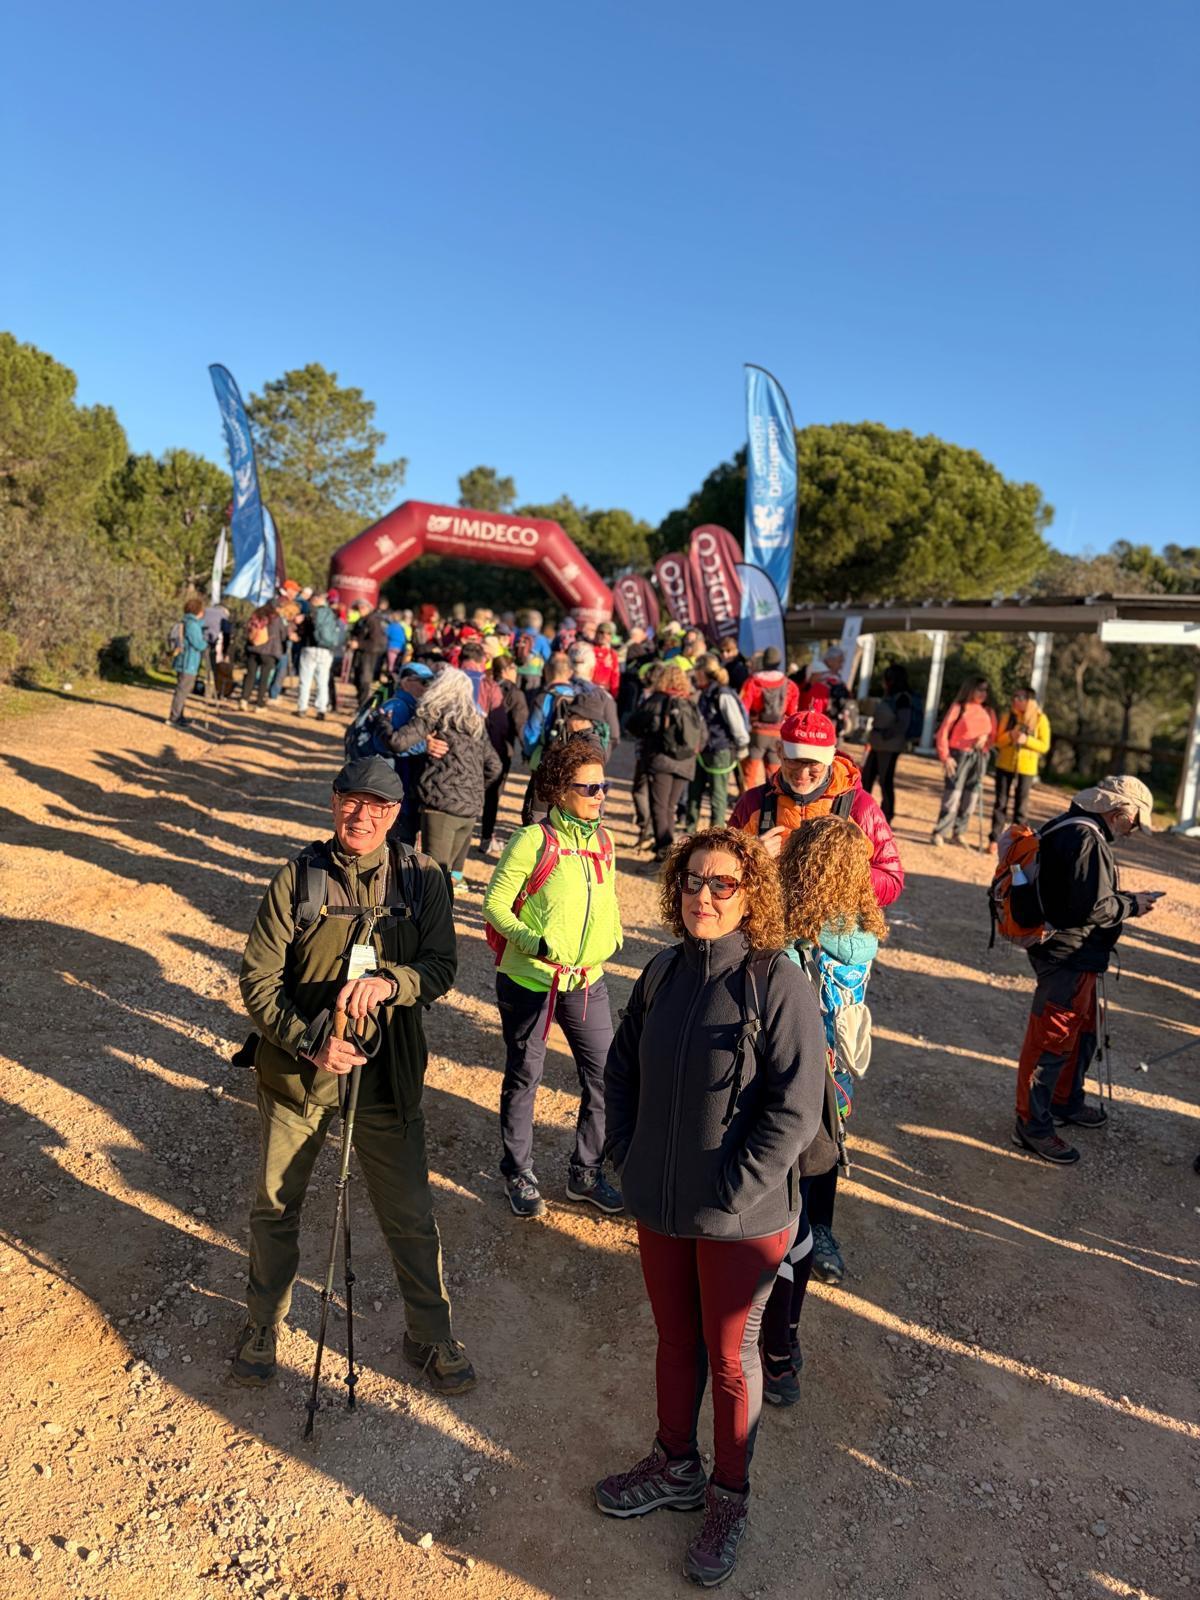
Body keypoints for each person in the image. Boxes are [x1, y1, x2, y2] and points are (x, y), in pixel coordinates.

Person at [597, 827, 826, 1587]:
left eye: (723, 883)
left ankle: (730, 1495)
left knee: (731, 1358)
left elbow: (796, 1109)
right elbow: (620, 1069)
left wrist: (733, 1193)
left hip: (742, 1218)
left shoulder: (776, 982)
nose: (703, 894)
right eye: (693, 880)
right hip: (660, 1205)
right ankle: (675, 1464)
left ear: (751, 893)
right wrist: (625, 1155)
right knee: (673, 1340)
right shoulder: (660, 972)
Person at [233, 755, 475, 1395]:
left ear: (396, 815)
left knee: (412, 1213)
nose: (361, 816)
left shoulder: (423, 880)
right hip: (297, 1074)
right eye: (351, 801)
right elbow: (256, 980)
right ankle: (263, 1322)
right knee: (276, 1206)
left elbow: (442, 968)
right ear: (334, 801)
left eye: (377, 806)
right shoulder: (298, 878)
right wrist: (310, 1041)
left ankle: (429, 1333)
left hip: (385, 1075)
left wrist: (393, 982)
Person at [731, 708, 902, 1284]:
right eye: (791, 759)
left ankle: (817, 1224)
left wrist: (836, 875)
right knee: (756, 1080)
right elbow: (719, 870)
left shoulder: (859, 808)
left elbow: (892, 878)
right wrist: (756, 856)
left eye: (813, 763)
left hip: (829, 973)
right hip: (764, 958)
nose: (801, 772)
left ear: (830, 761)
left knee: (824, 1096)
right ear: (779, 755)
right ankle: (755, 1207)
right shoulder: (754, 804)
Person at [761, 815, 886, 1404]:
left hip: (784, 1080)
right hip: (834, 1086)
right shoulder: (863, 934)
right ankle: (787, 1341)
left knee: (775, 1210)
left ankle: (767, 1330)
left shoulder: (789, 935)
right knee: (809, 1199)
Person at [483, 737, 624, 1220]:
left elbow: (608, 899)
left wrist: (614, 935)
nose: (600, 795)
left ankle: (585, 1171)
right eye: (589, 788)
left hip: (588, 981)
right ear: (560, 791)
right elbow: (495, 906)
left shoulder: (603, 841)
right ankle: (517, 1170)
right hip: (531, 979)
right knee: (526, 1075)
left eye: (603, 786)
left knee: (607, 1076)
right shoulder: (532, 841)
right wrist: (534, 943)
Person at [1011, 776, 1161, 1165]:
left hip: (1074, 955)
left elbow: (1082, 898)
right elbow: (1093, 909)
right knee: (1051, 1040)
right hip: (1067, 956)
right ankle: (1032, 1126)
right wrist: (1133, 905)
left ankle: (1064, 1101)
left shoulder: (1072, 827)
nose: (1134, 830)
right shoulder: (1086, 839)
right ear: (1119, 812)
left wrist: (1124, 900)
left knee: (1081, 1034)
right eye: (1136, 822)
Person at [373, 667, 500, 898]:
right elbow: (494, 766)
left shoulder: (433, 713)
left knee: (434, 875)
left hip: (440, 807)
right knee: (446, 874)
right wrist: (471, 789)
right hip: (470, 811)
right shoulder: (475, 723)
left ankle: (432, 928)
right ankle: (441, 926)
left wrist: (383, 721)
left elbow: (398, 742)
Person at [627, 662, 705, 862]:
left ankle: (664, 852)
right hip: (686, 763)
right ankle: (669, 850)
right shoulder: (690, 703)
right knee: (670, 807)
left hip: (660, 760)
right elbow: (703, 737)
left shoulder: (656, 700)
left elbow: (633, 724)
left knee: (659, 807)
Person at [931, 677, 997, 847]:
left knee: (971, 796)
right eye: (979, 689)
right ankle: (940, 832)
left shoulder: (988, 711)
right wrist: (945, 756)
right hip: (959, 755)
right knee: (952, 794)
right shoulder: (959, 707)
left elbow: (993, 737)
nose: (983, 693)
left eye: (985, 690)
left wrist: (985, 739)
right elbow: (942, 732)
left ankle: (959, 832)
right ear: (970, 689)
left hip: (980, 757)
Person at [687, 654, 750, 829]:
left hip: (720, 751)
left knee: (718, 796)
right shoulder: (704, 693)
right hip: (702, 750)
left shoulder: (723, 694)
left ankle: (716, 833)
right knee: (694, 791)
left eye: (696, 672)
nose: (694, 676)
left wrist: (742, 746)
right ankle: (689, 831)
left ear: (703, 673)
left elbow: (737, 725)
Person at [990, 686, 1051, 851]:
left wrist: (1027, 741)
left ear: (1030, 701)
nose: (1016, 700)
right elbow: (997, 741)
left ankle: (1016, 843)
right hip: (1004, 765)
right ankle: (994, 839)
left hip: (1026, 769)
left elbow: (1044, 746)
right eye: (1014, 696)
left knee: (1021, 807)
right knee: (1000, 803)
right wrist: (1010, 736)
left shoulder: (1040, 719)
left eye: (1020, 697)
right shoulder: (1008, 716)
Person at [480, 655, 528, 858]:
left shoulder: (485, 686)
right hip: (501, 749)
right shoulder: (514, 693)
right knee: (493, 794)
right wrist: (528, 749)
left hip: (478, 746)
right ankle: (485, 838)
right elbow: (520, 724)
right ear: (508, 669)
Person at [739, 646, 800, 789]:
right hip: (778, 734)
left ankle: (745, 802)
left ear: (763, 662)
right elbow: (792, 713)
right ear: (779, 662)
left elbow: (742, 708)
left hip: (757, 733)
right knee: (775, 773)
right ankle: (772, 801)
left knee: (750, 772)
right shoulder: (790, 685)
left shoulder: (752, 682)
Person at [860, 662, 913, 823]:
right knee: (866, 778)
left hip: (889, 746)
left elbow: (903, 722)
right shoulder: (889, 695)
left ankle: (886, 816)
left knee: (885, 780)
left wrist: (885, 735)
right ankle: (861, 810)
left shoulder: (903, 698)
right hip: (878, 744)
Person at [295, 592, 340, 720]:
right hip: (326, 651)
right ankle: (321, 709)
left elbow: (302, 631)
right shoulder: (331, 614)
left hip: (309, 648)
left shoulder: (310, 613)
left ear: (314, 599)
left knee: (305, 680)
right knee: (323, 681)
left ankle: (302, 708)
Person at [240, 601, 287, 711]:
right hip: (269, 652)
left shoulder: (256, 615)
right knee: (264, 678)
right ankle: (259, 704)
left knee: (250, 675)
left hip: (253, 648)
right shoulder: (276, 618)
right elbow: (283, 635)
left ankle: (244, 700)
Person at [168, 597, 206, 727]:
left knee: (182, 689)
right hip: (188, 662)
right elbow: (198, 644)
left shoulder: (185, 621)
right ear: (198, 611)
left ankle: (179, 716)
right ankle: (174, 717)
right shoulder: (193, 625)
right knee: (183, 690)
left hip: (182, 660)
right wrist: (206, 643)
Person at [351, 599, 390, 709]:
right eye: (358, 609)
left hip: (369, 656)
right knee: (357, 680)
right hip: (360, 655)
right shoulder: (361, 620)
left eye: (362, 608)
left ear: (368, 608)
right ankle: (360, 705)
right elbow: (354, 633)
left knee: (365, 681)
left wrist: (359, 644)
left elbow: (376, 642)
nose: (360, 611)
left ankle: (362, 708)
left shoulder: (373, 621)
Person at [591, 621, 621, 698]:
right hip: (589, 689)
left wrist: (614, 694)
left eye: (608, 633)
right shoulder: (589, 650)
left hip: (604, 692)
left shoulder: (612, 654)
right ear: (596, 633)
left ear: (611, 637)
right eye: (601, 632)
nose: (604, 635)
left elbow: (615, 675)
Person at [386, 610, 408, 675]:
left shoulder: (391, 626)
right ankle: (395, 675)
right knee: (397, 663)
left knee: (391, 664)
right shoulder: (401, 627)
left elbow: (386, 634)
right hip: (401, 648)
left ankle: (390, 675)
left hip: (392, 647)